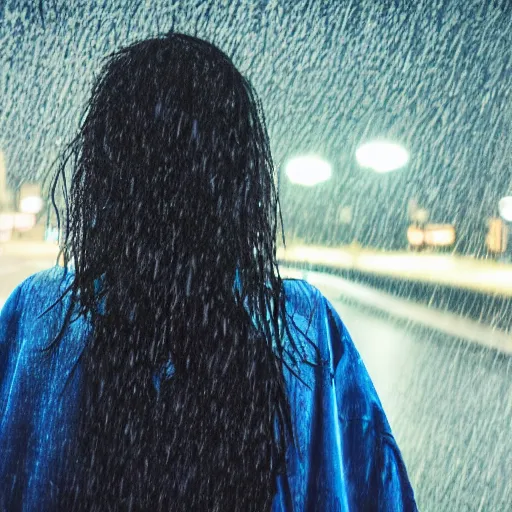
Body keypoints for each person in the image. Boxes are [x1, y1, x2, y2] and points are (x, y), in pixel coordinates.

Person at [0, 33, 417, 511]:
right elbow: (377, 490)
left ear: (103, 175)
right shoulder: (302, 329)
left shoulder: (38, 317)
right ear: (241, 183)